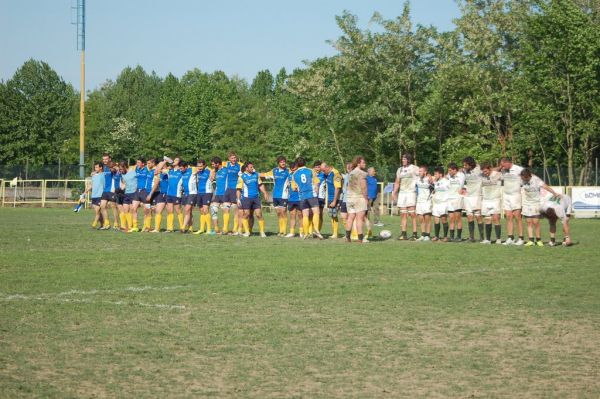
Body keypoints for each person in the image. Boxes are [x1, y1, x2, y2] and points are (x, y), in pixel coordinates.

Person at [520, 168, 559, 246]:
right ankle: (531, 240)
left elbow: (546, 187)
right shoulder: (521, 179)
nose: (523, 179)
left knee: (536, 222)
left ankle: (538, 240)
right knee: (528, 222)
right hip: (526, 203)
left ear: (528, 176)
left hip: (536, 203)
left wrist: (554, 193)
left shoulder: (536, 180)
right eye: (522, 178)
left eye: (524, 178)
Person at [292, 157, 324, 240]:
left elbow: (294, 188)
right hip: (311, 194)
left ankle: (305, 233)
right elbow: (316, 183)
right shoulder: (310, 170)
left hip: (302, 196)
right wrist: (315, 193)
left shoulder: (294, 174)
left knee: (305, 215)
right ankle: (316, 230)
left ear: (297, 164)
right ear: (305, 162)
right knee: (316, 212)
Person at [236, 162, 269, 237]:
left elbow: (260, 185)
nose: (252, 168)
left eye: (253, 167)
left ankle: (262, 232)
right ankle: (247, 232)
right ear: (246, 168)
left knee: (259, 214)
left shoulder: (256, 175)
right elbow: (238, 189)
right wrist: (238, 199)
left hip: (256, 198)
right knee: (246, 214)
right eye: (251, 167)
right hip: (246, 198)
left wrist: (264, 192)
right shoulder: (242, 177)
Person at [392, 154, 419, 240]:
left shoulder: (414, 168)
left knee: (412, 214)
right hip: (402, 194)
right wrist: (394, 193)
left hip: (411, 192)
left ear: (408, 160)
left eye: (404, 159)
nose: (402, 160)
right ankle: (404, 234)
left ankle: (415, 234)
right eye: (402, 159)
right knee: (403, 214)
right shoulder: (399, 170)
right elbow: (397, 182)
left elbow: (423, 174)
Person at [261, 156, 290, 236]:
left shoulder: (288, 171)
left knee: (283, 212)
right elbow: (264, 174)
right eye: (281, 162)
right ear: (278, 163)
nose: (283, 163)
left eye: (284, 161)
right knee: (278, 213)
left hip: (284, 195)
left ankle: (284, 231)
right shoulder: (274, 171)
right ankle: (280, 231)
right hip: (275, 195)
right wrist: (253, 173)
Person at [500, 157, 525, 245]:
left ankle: (521, 238)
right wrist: (501, 168)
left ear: (508, 163)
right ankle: (510, 237)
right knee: (508, 216)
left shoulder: (519, 169)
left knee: (517, 216)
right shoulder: (503, 170)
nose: (502, 167)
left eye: (503, 165)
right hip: (506, 195)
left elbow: (526, 178)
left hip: (515, 195)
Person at [344, 156, 369, 243]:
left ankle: (347, 237)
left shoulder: (351, 173)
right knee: (359, 218)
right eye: (363, 162)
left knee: (350, 217)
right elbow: (364, 187)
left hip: (350, 197)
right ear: (358, 163)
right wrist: (366, 198)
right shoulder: (362, 173)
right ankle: (360, 238)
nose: (365, 164)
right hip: (359, 197)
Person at [461, 156, 484, 242]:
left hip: (477, 196)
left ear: (471, 164)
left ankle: (482, 237)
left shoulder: (479, 169)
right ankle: (471, 237)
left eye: (466, 165)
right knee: (469, 216)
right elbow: (459, 170)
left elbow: (489, 169)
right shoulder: (465, 171)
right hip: (468, 196)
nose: (464, 167)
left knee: (478, 216)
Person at [480, 162, 503, 244]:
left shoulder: (497, 174)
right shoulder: (481, 175)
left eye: (486, 171)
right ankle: (488, 239)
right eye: (483, 171)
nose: (484, 173)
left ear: (490, 169)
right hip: (485, 200)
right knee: (487, 219)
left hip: (495, 199)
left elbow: (507, 177)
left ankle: (498, 239)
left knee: (496, 218)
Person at [223, 152, 244, 235]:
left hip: (236, 190)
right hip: (227, 189)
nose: (234, 159)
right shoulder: (225, 164)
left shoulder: (240, 165)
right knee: (225, 208)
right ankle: (225, 228)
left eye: (235, 158)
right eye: (232, 158)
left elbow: (248, 169)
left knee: (236, 210)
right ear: (229, 159)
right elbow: (216, 165)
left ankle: (235, 228)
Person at [82, 162, 108, 229]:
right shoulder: (93, 176)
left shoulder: (103, 175)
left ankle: (94, 223)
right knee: (98, 212)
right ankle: (102, 225)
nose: (95, 168)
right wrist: (85, 192)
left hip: (100, 195)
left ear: (100, 168)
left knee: (97, 211)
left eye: (96, 167)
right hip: (94, 195)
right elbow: (91, 185)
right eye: (95, 167)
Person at [193, 159, 215, 235]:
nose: (199, 167)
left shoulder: (209, 171)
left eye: (201, 166)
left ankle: (209, 229)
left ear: (205, 165)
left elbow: (212, 178)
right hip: (199, 192)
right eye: (198, 166)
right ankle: (202, 229)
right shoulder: (197, 172)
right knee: (201, 211)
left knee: (206, 210)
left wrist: (210, 171)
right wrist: (197, 171)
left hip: (207, 192)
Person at [323, 162, 343, 238]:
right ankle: (334, 233)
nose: (323, 172)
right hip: (330, 198)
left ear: (328, 167)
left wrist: (335, 201)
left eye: (324, 170)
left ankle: (337, 233)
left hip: (336, 198)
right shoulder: (327, 174)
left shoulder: (336, 174)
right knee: (332, 215)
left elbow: (337, 188)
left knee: (336, 215)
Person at [148, 161, 170, 233]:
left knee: (170, 211)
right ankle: (157, 229)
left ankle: (170, 228)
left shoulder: (169, 171)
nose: (159, 168)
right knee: (158, 211)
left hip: (168, 193)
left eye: (161, 166)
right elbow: (157, 170)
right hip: (161, 193)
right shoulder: (159, 173)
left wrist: (165, 162)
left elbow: (163, 169)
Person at [100, 153, 119, 229]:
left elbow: (117, 169)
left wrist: (114, 168)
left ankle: (116, 224)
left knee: (113, 206)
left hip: (112, 189)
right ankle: (107, 224)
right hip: (105, 190)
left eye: (106, 159)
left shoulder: (112, 165)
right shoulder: (103, 167)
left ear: (109, 159)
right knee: (102, 206)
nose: (105, 160)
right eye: (103, 159)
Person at [446, 163, 465, 242]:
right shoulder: (448, 176)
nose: (449, 172)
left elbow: (463, 169)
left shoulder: (461, 175)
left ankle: (459, 236)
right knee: (451, 218)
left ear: (455, 170)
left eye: (450, 170)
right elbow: (443, 177)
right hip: (450, 199)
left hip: (457, 198)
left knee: (458, 218)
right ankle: (451, 236)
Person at [431, 166, 450, 242]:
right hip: (436, 203)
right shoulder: (436, 182)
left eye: (436, 174)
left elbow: (451, 190)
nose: (435, 175)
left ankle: (445, 236)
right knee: (436, 220)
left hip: (443, 203)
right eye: (434, 174)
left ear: (441, 174)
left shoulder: (446, 181)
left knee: (444, 219)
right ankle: (436, 236)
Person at [179, 161, 198, 233]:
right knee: (188, 212)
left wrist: (191, 167)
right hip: (185, 194)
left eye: (182, 168)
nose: (180, 170)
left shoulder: (191, 171)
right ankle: (190, 228)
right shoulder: (181, 172)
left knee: (187, 210)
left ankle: (183, 227)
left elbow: (199, 168)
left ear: (186, 167)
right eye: (180, 168)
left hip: (192, 193)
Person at [119, 161, 138, 232]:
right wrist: (120, 190)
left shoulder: (133, 172)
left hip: (134, 193)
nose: (120, 171)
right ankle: (129, 226)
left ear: (125, 167)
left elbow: (138, 180)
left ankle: (134, 227)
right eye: (119, 169)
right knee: (125, 210)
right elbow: (124, 183)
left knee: (132, 210)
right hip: (127, 193)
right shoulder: (122, 174)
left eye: (121, 169)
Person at [415, 165, 433, 241]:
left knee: (427, 219)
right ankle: (423, 234)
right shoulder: (417, 179)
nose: (419, 172)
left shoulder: (429, 179)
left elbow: (437, 180)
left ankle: (428, 235)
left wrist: (430, 176)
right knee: (421, 219)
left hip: (427, 201)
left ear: (425, 172)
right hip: (419, 201)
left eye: (421, 171)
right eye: (419, 171)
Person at [211, 157, 227, 234]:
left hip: (225, 193)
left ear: (218, 163)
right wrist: (212, 173)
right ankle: (216, 229)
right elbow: (211, 179)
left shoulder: (226, 170)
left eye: (213, 164)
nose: (212, 166)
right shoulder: (215, 171)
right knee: (213, 210)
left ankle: (225, 229)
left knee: (225, 211)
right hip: (217, 194)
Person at [285, 162, 302, 238]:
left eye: (295, 169)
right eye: (292, 170)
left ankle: (301, 232)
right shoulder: (289, 175)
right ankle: (292, 232)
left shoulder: (300, 175)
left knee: (300, 215)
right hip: (291, 198)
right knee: (292, 215)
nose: (293, 171)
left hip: (300, 198)